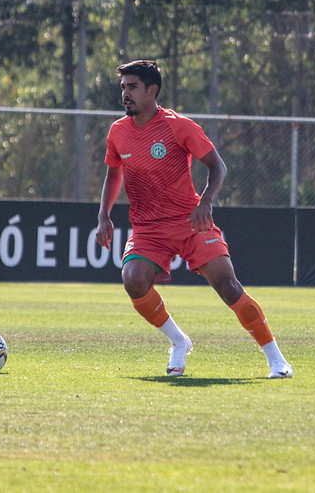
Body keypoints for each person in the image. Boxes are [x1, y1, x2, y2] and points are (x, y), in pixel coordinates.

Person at [95, 59, 292, 378]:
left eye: (132, 87)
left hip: (190, 222)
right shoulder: (118, 131)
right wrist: (103, 216)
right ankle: (178, 341)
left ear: (152, 90)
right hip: (148, 228)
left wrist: (207, 202)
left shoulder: (178, 125)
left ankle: (275, 358)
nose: (125, 94)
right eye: (123, 88)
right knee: (133, 279)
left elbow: (218, 167)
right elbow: (113, 173)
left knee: (228, 286)